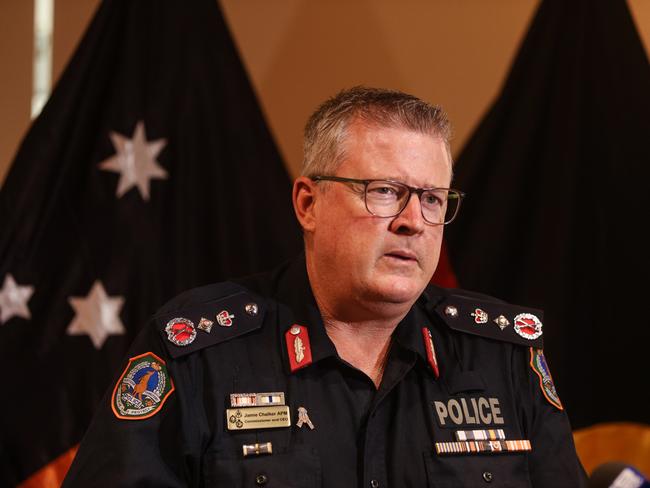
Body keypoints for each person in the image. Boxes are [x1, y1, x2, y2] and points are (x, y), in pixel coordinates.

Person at [63, 87, 586, 487]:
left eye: (433, 199)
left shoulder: (502, 355)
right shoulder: (199, 355)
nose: (414, 221)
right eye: (384, 191)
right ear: (307, 204)